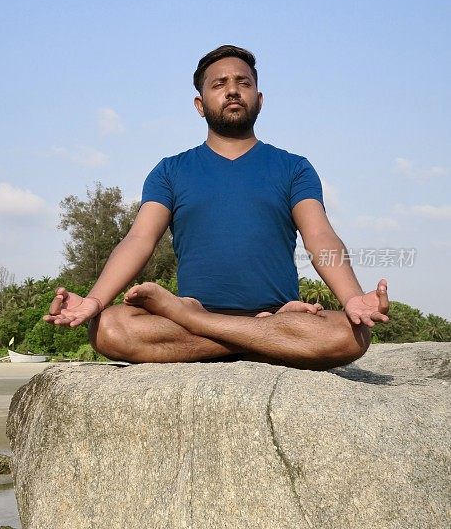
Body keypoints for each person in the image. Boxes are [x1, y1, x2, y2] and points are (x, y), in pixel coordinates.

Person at [45, 45, 389, 370]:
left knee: (352, 334)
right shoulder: (171, 171)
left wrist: (352, 297)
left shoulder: (293, 167)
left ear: (260, 99)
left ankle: (202, 323)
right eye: (219, 84)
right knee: (107, 328)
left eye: (244, 82)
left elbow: (320, 236)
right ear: (199, 103)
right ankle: (254, 337)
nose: (233, 90)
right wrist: (94, 300)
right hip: (260, 327)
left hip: (260, 316)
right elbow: (139, 239)